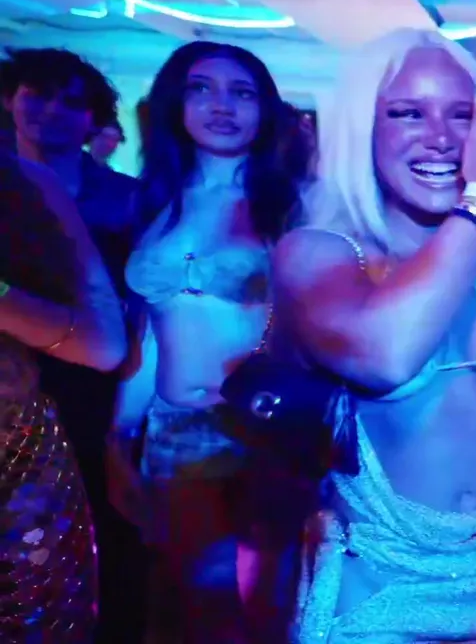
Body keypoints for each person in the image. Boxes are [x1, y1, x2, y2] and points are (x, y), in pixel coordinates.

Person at [274, 28, 476, 643]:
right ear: (363, 127)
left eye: (461, 114)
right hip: (385, 589)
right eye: (408, 112)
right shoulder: (317, 254)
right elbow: (385, 355)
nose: (441, 137)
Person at [111, 41, 309, 643]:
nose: (222, 105)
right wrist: (117, 435)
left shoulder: (292, 205)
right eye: (202, 88)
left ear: (265, 110)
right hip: (170, 433)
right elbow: (150, 329)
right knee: (185, 605)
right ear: (176, 101)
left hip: (259, 432)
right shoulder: (151, 200)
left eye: (242, 92)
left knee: (259, 613)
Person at [1, 46, 146, 642]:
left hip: (93, 374)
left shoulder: (125, 198)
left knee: (93, 513)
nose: (51, 110)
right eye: (37, 94)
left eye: (71, 102)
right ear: (11, 98)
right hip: (16, 373)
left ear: (94, 120)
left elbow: (134, 308)